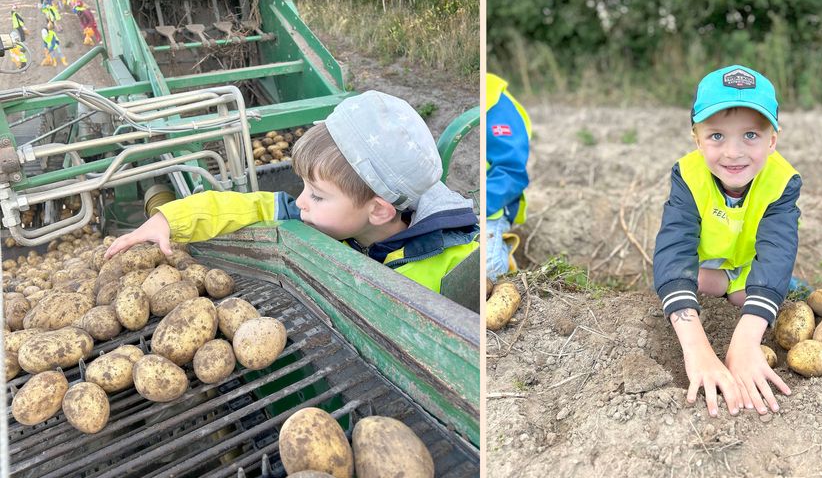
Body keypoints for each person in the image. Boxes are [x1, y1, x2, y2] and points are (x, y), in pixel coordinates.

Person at [105, 91, 480, 294]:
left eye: (316, 194)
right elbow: (236, 207)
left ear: (379, 210)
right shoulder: (316, 220)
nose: (300, 201)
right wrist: (167, 218)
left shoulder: (458, 261)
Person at [653, 65, 801, 418]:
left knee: (749, 296)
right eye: (717, 136)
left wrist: (745, 341)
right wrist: (697, 347)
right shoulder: (688, 175)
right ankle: (737, 288)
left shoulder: (783, 181)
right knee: (694, 283)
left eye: (750, 135)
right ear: (697, 138)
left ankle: (783, 289)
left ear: (772, 140)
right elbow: (674, 250)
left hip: (752, 265)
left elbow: (777, 248)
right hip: (710, 266)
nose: (733, 153)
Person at [485, 73, 531, 280]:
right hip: (462, 206)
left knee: (489, 271)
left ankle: (503, 254)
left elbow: (511, 172)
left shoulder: (495, 102)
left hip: (491, 210)